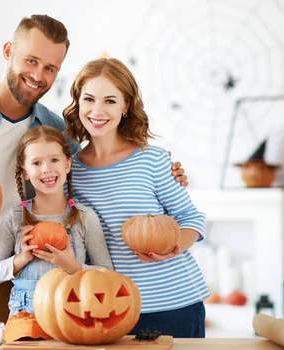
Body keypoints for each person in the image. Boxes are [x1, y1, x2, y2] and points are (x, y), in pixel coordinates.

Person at [0, 15, 187, 338]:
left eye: (50, 68)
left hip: (18, 286)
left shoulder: (58, 131)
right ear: (8, 51)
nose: (38, 75)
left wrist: (165, 169)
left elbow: (101, 161)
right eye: (31, 60)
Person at [63, 57, 209, 338]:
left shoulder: (151, 160)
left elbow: (192, 218)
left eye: (110, 101)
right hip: (108, 308)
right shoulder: (69, 170)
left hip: (174, 304)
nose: (97, 110)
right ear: (78, 102)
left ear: (126, 106)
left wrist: (171, 247)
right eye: (89, 99)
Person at [0, 126, 113, 317]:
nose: (47, 169)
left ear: (67, 165)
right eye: (36, 163)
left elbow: (108, 275)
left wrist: (73, 267)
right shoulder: (15, 217)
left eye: (54, 160)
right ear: (25, 172)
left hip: (72, 317)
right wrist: (22, 258)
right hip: (25, 320)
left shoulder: (84, 217)